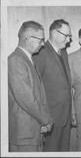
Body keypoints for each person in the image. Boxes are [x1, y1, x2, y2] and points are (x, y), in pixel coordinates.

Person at [8, 21, 53, 152]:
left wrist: (44, 121)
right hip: (24, 134)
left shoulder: (27, 59)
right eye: (41, 40)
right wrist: (46, 120)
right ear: (27, 39)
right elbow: (26, 99)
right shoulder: (16, 60)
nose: (43, 44)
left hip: (32, 131)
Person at [33, 19, 76, 151]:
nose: (68, 40)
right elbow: (35, 88)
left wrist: (72, 112)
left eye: (70, 36)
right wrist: (43, 119)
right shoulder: (40, 52)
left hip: (65, 117)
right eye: (66, 35)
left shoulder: (63, 52)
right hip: (50, 119)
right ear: (54, 33)